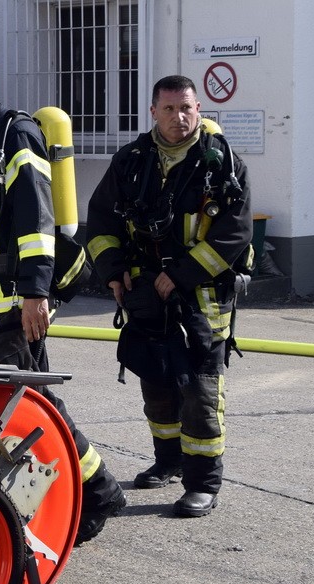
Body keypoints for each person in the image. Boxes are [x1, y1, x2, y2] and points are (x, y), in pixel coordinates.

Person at [0, 45, 126, 544]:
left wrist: (36, 293)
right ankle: (21, 496)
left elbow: (37, 219)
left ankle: (96, 493)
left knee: (23, 404)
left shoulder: (15, 133)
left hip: (14, 296)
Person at [85, 75, 252, 517]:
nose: (180, 118)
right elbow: (101, 222)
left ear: (199, 109)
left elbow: (235, 233)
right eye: (170, 109)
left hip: (202, 299)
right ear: (153, 112)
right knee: (156, 383)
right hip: (144, 295)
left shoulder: (223, 163)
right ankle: (169, 460)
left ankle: (203, 484)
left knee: (200, 392)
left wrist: (178, 274)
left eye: (187, 109)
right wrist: (114, 273)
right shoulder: (132, 160)